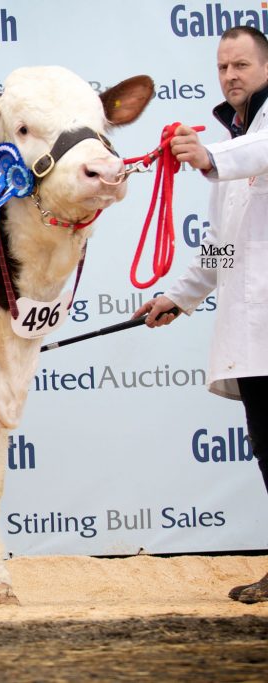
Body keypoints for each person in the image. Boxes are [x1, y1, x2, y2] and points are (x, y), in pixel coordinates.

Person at [133, 25, 268, 604]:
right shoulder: (233, 144)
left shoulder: (241, 146)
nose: (231, 76)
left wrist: (210, 154)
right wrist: (179, 297)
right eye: (222, 67)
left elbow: (257, 152)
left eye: (241, 64)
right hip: (255, 335)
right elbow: (223, 245)